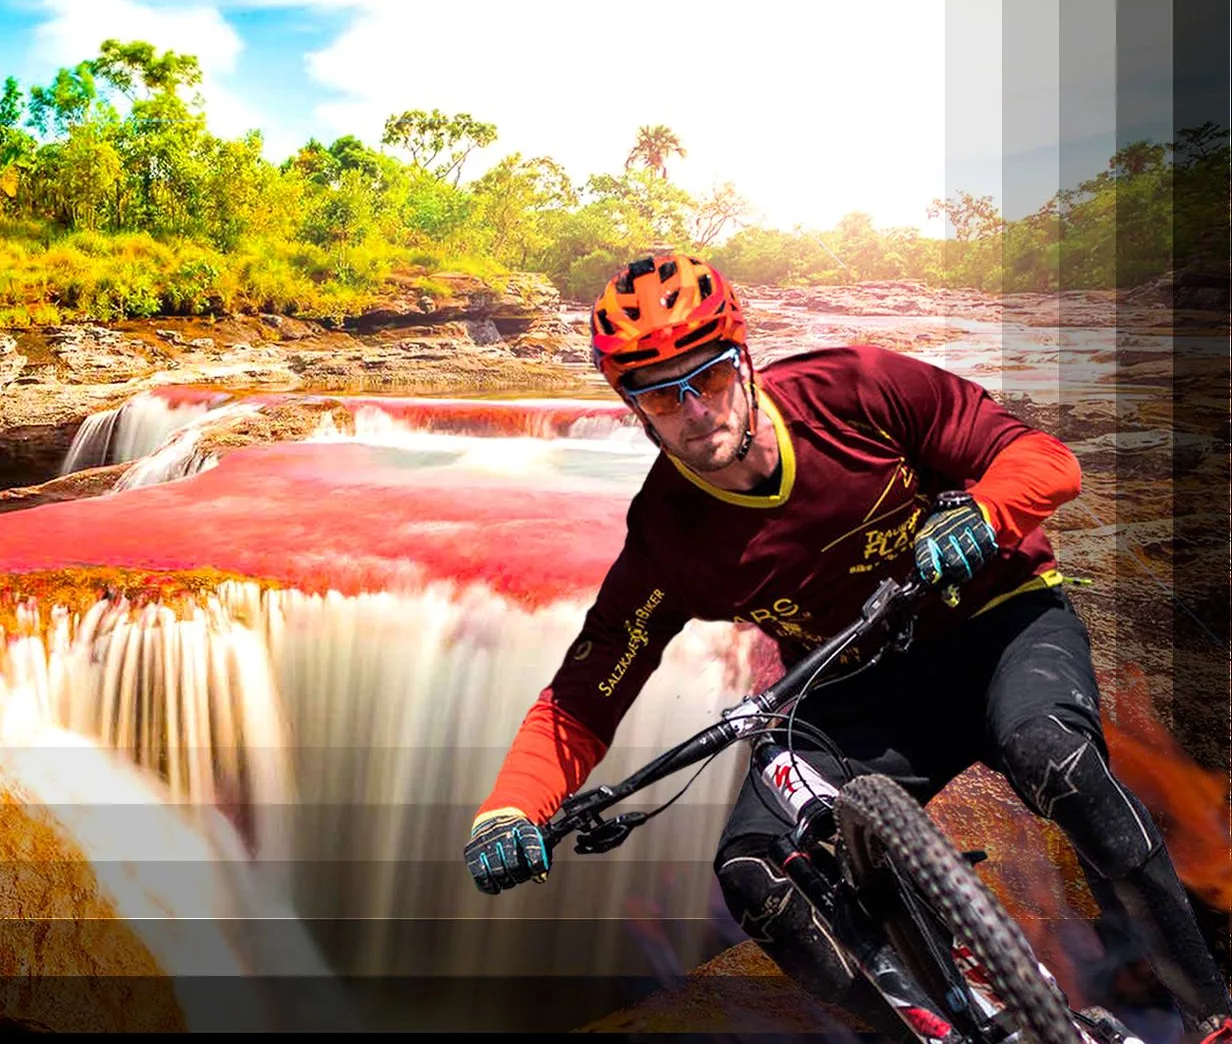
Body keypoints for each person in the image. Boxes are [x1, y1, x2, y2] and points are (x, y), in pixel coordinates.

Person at [461, 252, 1232, 1043]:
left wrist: (984, 516)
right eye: (662, 393)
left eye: (711, 375)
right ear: (635, 409)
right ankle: (942, 1034)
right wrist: (510, 810)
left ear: (745, 357)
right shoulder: (667, 536)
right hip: (858, 682)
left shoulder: (858, 388)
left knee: (1051, 753)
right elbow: (584, 695)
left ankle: (1211, 1015)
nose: (696, 410)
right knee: (755, 873)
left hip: (1000, 622)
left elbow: (1045, 461)